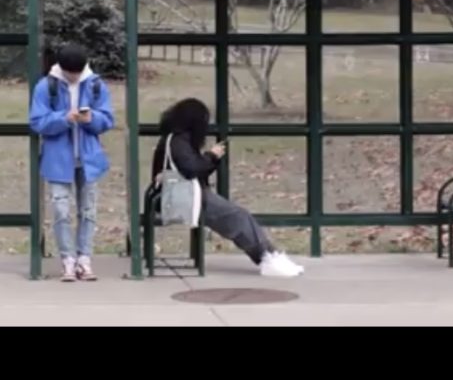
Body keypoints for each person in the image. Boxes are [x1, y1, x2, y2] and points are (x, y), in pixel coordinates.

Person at [151, 98, 304, 278]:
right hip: (189, 199)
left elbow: (193, 169)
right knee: (238, 217)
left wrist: (211, 159)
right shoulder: (178, 142)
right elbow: (191, 169)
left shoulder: (175, 140)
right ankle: (267, 257)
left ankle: (269, 255)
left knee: (239, 216)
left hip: (188, 196)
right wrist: (211, 156)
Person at [29, 44, 114, 281]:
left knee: (88, 211)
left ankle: (84, 259)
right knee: (61, 211)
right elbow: (37, 122)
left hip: (89, 159)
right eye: (69, 73)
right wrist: (63, 119)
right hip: (58, 159)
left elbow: (108, 120)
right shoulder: (47, 86)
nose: (74, 77)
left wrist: (91, 119)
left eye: (77, 73)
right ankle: (67, 259)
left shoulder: (96, 84)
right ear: (61, 69)